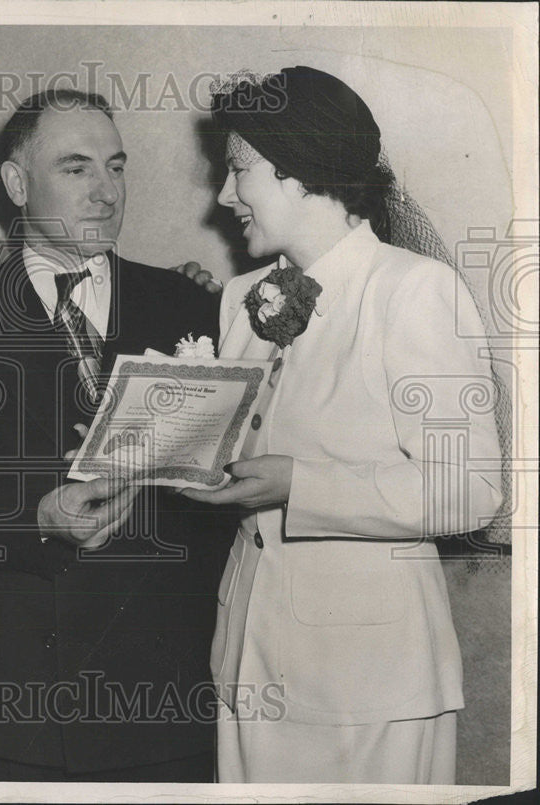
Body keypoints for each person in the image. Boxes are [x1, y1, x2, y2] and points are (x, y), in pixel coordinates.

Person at [0, 89, 238, 782]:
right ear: (17, 184)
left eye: (115, 166)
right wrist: (37, 518)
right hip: (18, 699)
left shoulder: (188, 304)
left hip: (163, 694)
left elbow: (220, 494)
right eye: (76, 168)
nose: (105, 192)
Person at [183, 66, 503, 783]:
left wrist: (300, 484)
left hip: (373, 680)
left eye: (238, 171)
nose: (224, 195)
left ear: (300, 170)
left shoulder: (414, 291)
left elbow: (471, 491)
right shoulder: (240, 300)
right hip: (246, 665)